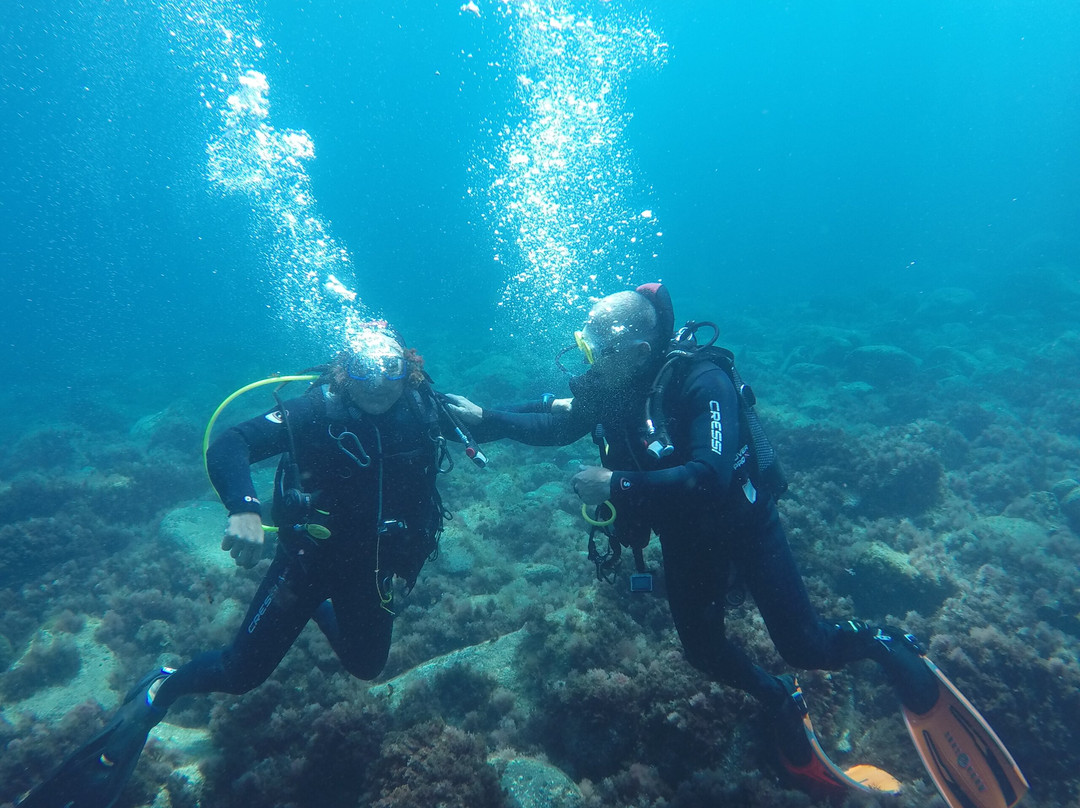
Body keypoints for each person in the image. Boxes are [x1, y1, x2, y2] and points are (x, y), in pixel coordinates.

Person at [447, 284, 1028, 808]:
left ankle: (886, 643)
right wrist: (487, 418)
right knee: (703, 651)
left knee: (806, 643)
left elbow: (711, 475)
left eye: (598, 343)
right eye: (586, 342)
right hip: (685, 540)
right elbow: (559, 424)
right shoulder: (619, 384)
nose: (589, 356)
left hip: (744, 527)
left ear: (636, 346)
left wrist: (618, 484)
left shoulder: (703, 381)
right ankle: (780, 698)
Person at [18, 323, 467, 808]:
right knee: (239, 673)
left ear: (409, 371)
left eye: (390, 368)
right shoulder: (314, 410)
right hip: (305, 564)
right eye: (364, 369)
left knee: (367, 665)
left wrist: (564, 413)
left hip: (369, 568)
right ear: (344, 373)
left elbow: (510, 421)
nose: (378, 383)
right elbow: (231, 443)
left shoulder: (426, 411)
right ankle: (162, 686)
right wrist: (245, 507)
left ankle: (317, 608)